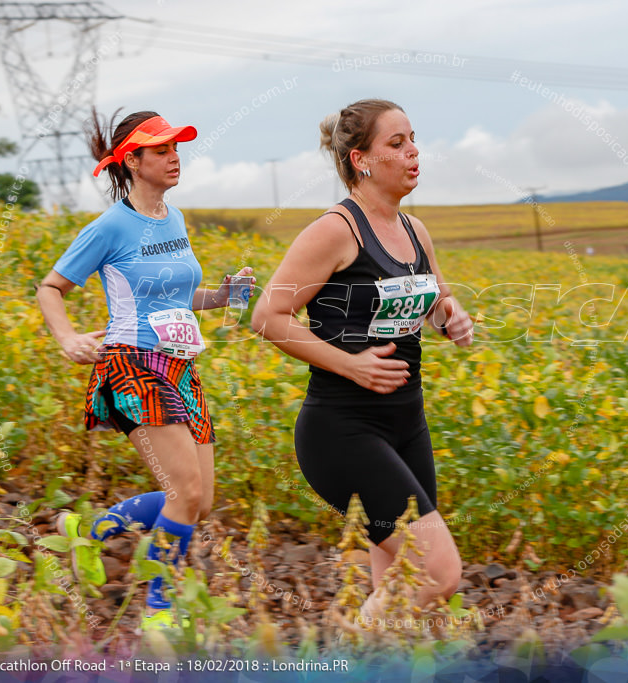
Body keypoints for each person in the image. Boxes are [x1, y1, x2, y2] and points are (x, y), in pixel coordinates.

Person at [251, 99, 474, 621]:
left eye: (413, 138)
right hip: (342, 430)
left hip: (406, 424)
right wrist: (349, 364)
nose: (414, 151)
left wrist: (450, 316)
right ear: (361, 160)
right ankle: (349, 649)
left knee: (397, 585)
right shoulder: (335, 230)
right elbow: (268, 315)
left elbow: (433, 306)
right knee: (438, 573)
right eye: (396, 143)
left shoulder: (417, 231)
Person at [36, 109, 254, 632]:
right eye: (161, 150)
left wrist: (222, 296)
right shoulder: (111, 225)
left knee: (199, 500)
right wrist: (67, 336)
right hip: (132, 363)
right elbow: (50, 288)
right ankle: (160, 612)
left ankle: (96, 528)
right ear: (131, 161)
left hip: (181, 367)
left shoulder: (173, 218)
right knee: (185, 493)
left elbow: (176, 296)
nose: (174, 157)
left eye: (176, 148)